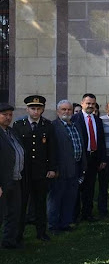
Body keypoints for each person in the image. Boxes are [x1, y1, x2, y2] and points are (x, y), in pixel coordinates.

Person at [13, 95, 57, 242]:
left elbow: (52, 149)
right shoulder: (19, 125)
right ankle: (18, 234)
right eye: (32, 108)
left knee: (40, 203)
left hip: (41, 171)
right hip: (24, 172)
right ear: (27, 109)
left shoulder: (47, 126)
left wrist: (52, 168)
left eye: (38, 109)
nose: (35, 112)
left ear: (43, 109)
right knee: (22, 204)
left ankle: (41, 232)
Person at [48, 100, 87, 233]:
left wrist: (83, 165)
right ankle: (53, 225)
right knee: (56, 198)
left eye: (69, 109)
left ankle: (65, 223)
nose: (66, 112)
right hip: (61, 168)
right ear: (58, 111)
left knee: (70, 197)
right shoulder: (53, 126)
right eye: (63, 109)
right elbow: (51, 150)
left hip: (75, 167)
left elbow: (80, 145)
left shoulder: (76, 125)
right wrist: (54, 168)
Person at [71, 93, 107, 222]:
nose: (90, 106)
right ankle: (74, 215)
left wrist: (103, 159)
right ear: (82, 104)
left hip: (94, 158)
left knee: (90, 187)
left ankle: (87, 213)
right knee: (77, 187)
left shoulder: (98, 120)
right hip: (80, 158)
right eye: (88, 103)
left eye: (92, 104)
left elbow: (101, 141)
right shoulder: (75, 119)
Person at [0, 103, 24, 249]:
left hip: (15, 179)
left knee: (14, 212)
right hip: (2, 182)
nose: (8, 117)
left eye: (10, 115)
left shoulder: (11, 132)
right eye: (4, 115)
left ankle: (9, 241)